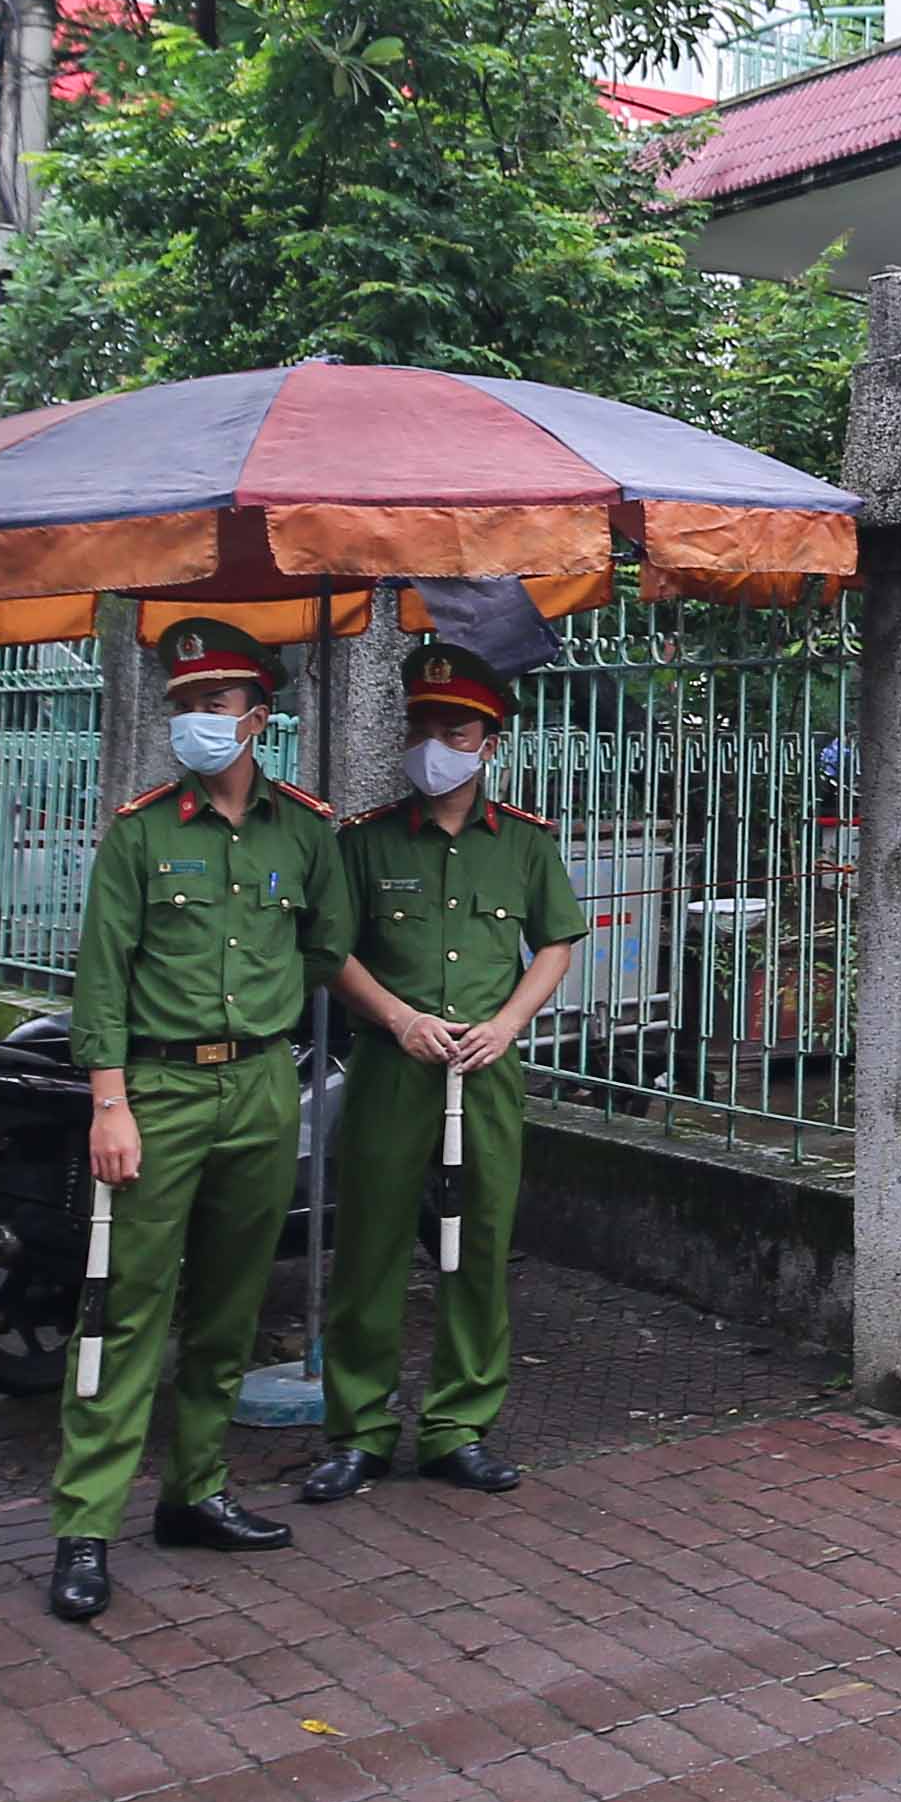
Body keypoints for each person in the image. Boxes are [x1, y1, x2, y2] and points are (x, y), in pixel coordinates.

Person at [51, 618, 356, 1624]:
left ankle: (196, 1489)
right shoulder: (140, 830)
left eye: (213, 704)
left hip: (263, 1087)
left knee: (231, 1302)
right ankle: (86, 1522)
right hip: (157, 1091)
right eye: (182, 703)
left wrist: (260, 1025)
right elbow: (102, 978)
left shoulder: (304, 828)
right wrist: (111, 1099)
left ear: (257, 717)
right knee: (127, 1306)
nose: (193, 720)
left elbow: (326, 945)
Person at [307, 642, 588, 1501]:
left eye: (454, 728)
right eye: (422, 725)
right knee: (370, 1247)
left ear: (489, 743)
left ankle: (459, 1425)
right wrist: (399, 1017)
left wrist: (508, 1024)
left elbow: (558, 941)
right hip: (395, 1066)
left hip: (488, 1070)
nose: (435, 742)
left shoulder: (527, 845)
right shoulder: (364, 842)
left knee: (479, 1247)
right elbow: (330, 950)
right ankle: (359, 1428)